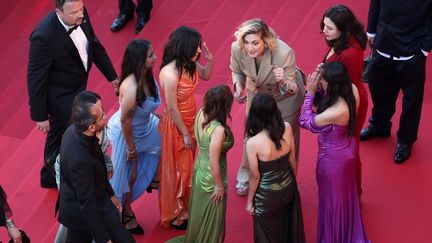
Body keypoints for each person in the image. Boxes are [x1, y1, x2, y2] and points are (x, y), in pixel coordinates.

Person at [27, 0, 118, 189]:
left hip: (78, 85)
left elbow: (93, 43)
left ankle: (48, 175)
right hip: (60, 95)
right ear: (58, 12)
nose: (80, 15)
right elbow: (35, 78)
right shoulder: (43, 36)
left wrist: (112, 76)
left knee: (58, 132)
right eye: (73, 12)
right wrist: (39, 115)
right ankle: (76, 174)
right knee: (80, 132)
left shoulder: (80, 15)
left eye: (81, 9)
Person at [230, 19, 305, 196]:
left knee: (284, 137)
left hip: (284, 97)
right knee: (251, 133)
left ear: (266, 40)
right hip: (257, 94)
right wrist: (238, 85)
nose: (250, 48)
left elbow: (292, 88)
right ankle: (246, 174)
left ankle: (288, 179)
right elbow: (237, 70)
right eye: (247, 43)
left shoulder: (284, 52)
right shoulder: (237, 47)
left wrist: (283, 81)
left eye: (255, 43)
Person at [300, 62, 369, 243]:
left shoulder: (336, 111)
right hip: (347, 150)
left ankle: (335, 237)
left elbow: (306, 121)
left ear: (331, 83)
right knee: (344, 197)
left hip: (333, 160)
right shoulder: (351, 89)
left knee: (333, 201)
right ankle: (347, 232)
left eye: (322, 80)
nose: (319, 82)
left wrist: (310, 92)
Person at [360, 0, 432, 164]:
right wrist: (371, 31)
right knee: (379, 88)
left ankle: (405, 141)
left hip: (413, 50)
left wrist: (425, 49)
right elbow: (375, 3)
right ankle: (380, 126)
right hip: (383, 44)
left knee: (412, 100)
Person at [57, 91, 134, 243]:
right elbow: (87, 204)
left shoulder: (77, 129)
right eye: (102, 116)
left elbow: (98, 166)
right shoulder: (79, 159)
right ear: (92, 127)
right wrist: (104, 239)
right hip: (81, 212)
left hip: (97, 200)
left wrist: (110, 193)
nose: (105, 116)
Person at [158, 26, 214, 229]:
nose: (199, 51)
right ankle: (178, 214)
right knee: (181, 169)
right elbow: (172, 108)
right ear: (184, 47)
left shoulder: (189, 64)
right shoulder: (171, 73)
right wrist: (185, 134)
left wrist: (210, 59)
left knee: (189, 167)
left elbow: (206, 75)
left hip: (192, 118)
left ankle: (187, 207)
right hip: (178, 125)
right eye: (196, 47)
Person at [166, 85, 234, 243]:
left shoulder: (202, 113)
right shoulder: (217, 129)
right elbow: (213, 160)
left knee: (199, 212)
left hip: (199, 171)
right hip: (212, 179)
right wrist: (218, 185)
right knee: (212, 219)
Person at [108, 39, 161, 235]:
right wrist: (131, 149)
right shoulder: (131, 88)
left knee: (168, 139)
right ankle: (125, 212)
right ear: (139, 60)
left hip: (145, 126)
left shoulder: (146, 76)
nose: (155, 57)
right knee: (127, 177)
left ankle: (154, 179)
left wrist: (153, 116)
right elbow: (125, 122)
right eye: (150, 56)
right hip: (127, 134)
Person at [320, 4, 368, 197]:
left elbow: (348, 88)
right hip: (339, 98)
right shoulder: (342, 42)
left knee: (350, 152)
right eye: (324, 25)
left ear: (343, 28)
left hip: (349, 105)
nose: (324, 31)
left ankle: (353, 195)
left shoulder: (350, 54)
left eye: (329, 28)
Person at [245, 93, 305, 243]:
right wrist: (292, 184)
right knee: (285, 228)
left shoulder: (253, 143)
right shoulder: (287, 128)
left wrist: (249, 201)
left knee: (266, 235)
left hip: (266, 196)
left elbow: (255, 176)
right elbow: (292, 159)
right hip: (288, 187)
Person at [53, 125, 113, 243]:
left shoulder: (103, 131)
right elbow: (60, 165)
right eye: (100, 115)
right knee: (75, 230)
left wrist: (108, 167)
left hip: (94, 190)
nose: (104, 117)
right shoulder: (75, 144)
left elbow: (103, 153)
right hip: (76, 200)